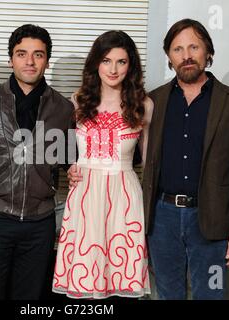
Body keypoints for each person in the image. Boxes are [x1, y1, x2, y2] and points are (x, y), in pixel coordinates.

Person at [141, 19, 229, 299]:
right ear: (169, 56)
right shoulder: (153, 101)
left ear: (207, 52)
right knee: (168, 295)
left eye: (194, 46)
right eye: (178, 49)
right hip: (161, 219)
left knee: (211, 294)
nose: (186, 55)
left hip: (213, 220)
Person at [0, 24, 74, 299]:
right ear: (10, 59)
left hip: (38, 225)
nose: (30, 61)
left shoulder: (64, 109)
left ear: (47, 61)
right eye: (21, 53)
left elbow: (71, 160)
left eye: (38, 54)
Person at [53, 30, 153, 299]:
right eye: (107, 60)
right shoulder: (77, 100)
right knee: (86, 277)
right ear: (96, 62)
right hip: (85, 196)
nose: (113, 69)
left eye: (121, 62)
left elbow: (150, 162)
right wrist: (72, 166)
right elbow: (64, 150)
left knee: (120, 279)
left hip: (124, 197)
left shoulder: (144, 105)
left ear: (130, 66)